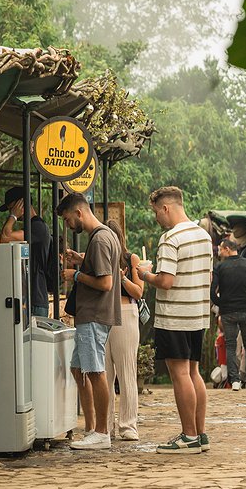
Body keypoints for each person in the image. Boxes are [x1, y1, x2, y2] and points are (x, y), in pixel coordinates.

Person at [138, 186, 213, 454]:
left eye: (157, 212)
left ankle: (189, 435)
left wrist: (145, 274)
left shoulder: (170, 238)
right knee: (193, 372)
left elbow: (166, 281)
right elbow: (208, 277)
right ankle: (200, 433)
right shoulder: (204, 236)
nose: (157, 218)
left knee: (179, 373)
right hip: (197, 314)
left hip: (175, 317)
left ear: (166, 208)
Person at [57, 192, 121, 450]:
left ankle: (102, 433)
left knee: (95, 371)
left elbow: (105, 282)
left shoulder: (100, 239)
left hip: (94, 314)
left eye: (68, 219)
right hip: (89, 314)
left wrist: (75, 275)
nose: (69, 225)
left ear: (79, 213)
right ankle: (92, 427)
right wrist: (81, 261)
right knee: (78, 369)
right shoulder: (103, 236)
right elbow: (100, 267)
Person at [104, 218, 143, 441]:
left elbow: (138, 292)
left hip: (126, 312)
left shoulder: (130, 258)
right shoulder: (98, 258)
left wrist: (122, 277)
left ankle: (128, 424)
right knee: (104, 374)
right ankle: (105, 424)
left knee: (127, 370)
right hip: (103, 314)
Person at [211, 236, 246, 391]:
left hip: (228, 313)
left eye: (221, 249)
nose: (219, 252)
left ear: (227, 249)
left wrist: (221, 304)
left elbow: (212, 292)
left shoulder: (220, 268)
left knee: (230, 345)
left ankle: (234, 380)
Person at [0, 185, 51, 318]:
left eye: (11, 208)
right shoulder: (31, 227)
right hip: (28, 296)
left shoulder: (37, 227)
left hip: (35, 297)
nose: (10, 212)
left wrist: (13, 216)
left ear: (20, 204)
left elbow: (5, 237)